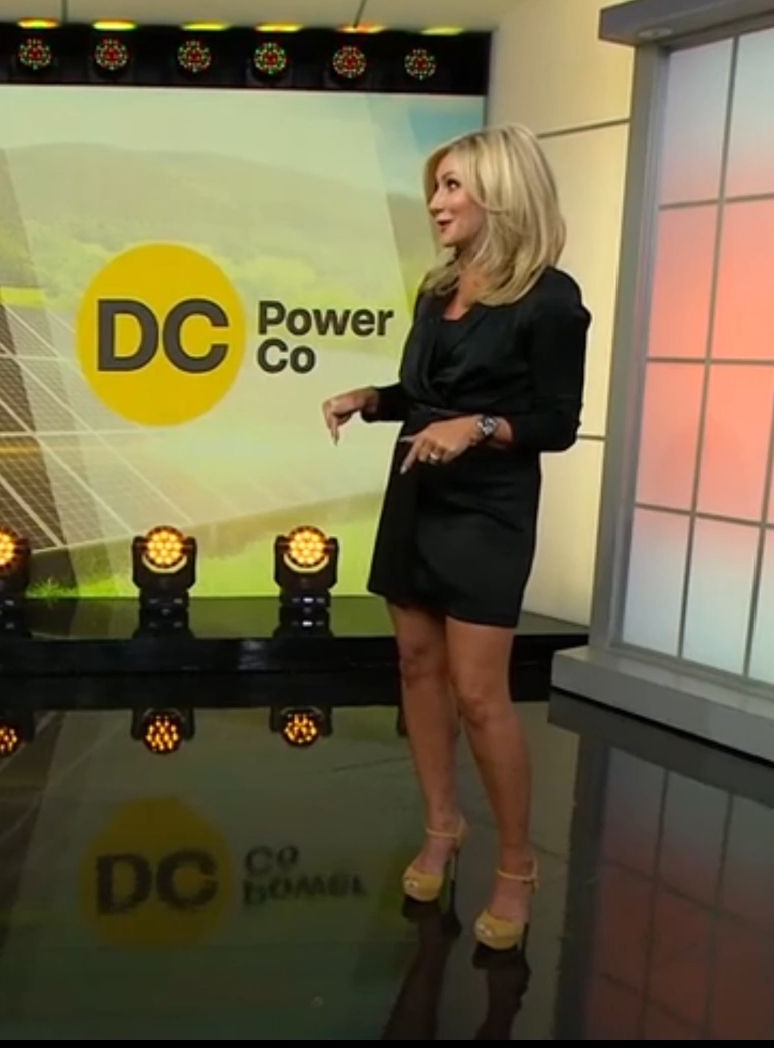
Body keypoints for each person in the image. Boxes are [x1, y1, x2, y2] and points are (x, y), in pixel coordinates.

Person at [321, 123, 589, 951]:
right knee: (415, 664)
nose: (436, 203)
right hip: (418, 490)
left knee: (479, 694)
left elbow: (555, 423)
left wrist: (476, 427)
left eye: (452, 187)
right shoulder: (438, 288)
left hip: (487, 508)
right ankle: (442, 826)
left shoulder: (550, 299)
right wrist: (374, 399)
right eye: (436, 187)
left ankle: (517, 866)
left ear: (500, 193)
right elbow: (427, 392)